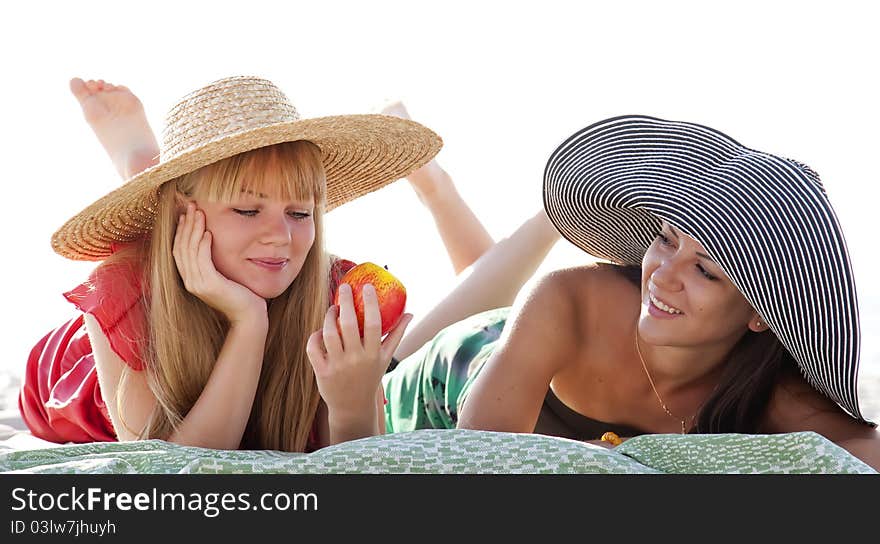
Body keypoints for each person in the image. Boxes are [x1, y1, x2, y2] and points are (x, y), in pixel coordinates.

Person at [21, 76, 559, 452]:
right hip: (86, 373)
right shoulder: (120, 292)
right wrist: (247, 322)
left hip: (215, 266)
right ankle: (143, 167)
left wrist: (351, 404)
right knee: (142, 252)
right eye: (249, 208)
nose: (281, 235)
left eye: (300, 212)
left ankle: (157, 174)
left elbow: (350, 464)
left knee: (405, 339)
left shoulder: (329, 286)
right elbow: (187, 468)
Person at [382, 114, 880, 471]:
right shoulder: (567, 300)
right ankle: (448, 194)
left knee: (485, 285)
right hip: (456, 368)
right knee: (395, 361)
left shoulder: (766, 389)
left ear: (760, 312)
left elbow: (867, 450)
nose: (662, 275)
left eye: (705, 270)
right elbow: (475, 459)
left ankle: (441, 194)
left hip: (519, 344)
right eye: (665, 239)